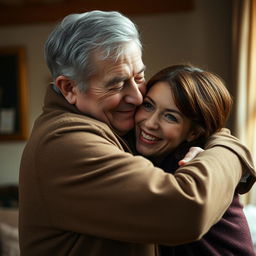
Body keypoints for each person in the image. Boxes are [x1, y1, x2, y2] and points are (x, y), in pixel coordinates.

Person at [19, 10, 256, 256]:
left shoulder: (113, 128)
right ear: (69, 88)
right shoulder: (64, 142)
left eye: (139, 76)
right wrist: (230, 149)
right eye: (117, 84)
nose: (137, 96)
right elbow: (187, 210)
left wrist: (214, 140)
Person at [134, 64, 256, 255]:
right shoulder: (144, 154)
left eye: (170, 117)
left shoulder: (187, 169)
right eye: (148, 105)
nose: (150, 123)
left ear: (193, 133)